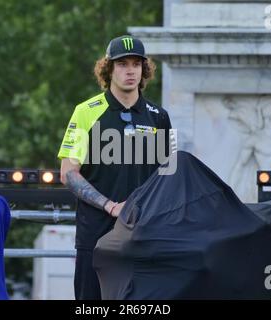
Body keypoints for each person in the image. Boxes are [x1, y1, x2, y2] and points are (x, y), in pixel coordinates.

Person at [57, 35, 173, 300]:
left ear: (145, 69)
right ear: (108, 68)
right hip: (96, 236)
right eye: (122, 64)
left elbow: (171, 174)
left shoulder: (161, 116)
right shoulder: (85, 111)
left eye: (136, 63)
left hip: (145, 236)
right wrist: (110, 206)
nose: (130, 70)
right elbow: (68, 172)